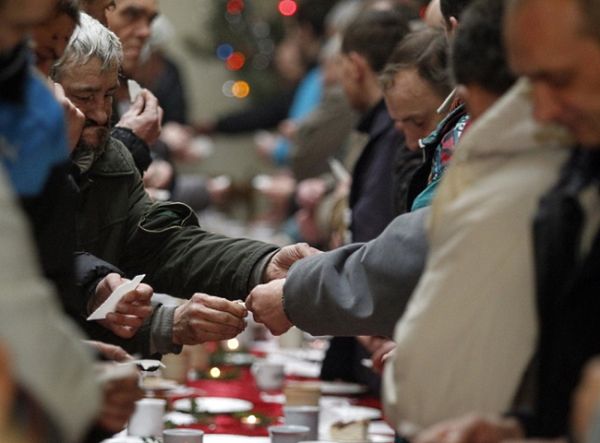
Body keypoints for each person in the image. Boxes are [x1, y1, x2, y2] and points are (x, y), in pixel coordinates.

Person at [52, 15, 316, 345]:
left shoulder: (110, 156)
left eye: (107, 96)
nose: (102, 114)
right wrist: (165, 322)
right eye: (85, 97)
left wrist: (261, 264)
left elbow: (161, 243)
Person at [415, 0, 600, 441]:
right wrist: (522, 433)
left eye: (558, 79)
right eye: (527, 84)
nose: (542, 111)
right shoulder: (576, 180)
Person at [246, 29, 454, 338]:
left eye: (418, 122)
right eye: (400, 124)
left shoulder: (454, 144)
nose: (411, 141)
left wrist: (295, 294)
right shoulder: (419, 137)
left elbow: (409, 253)